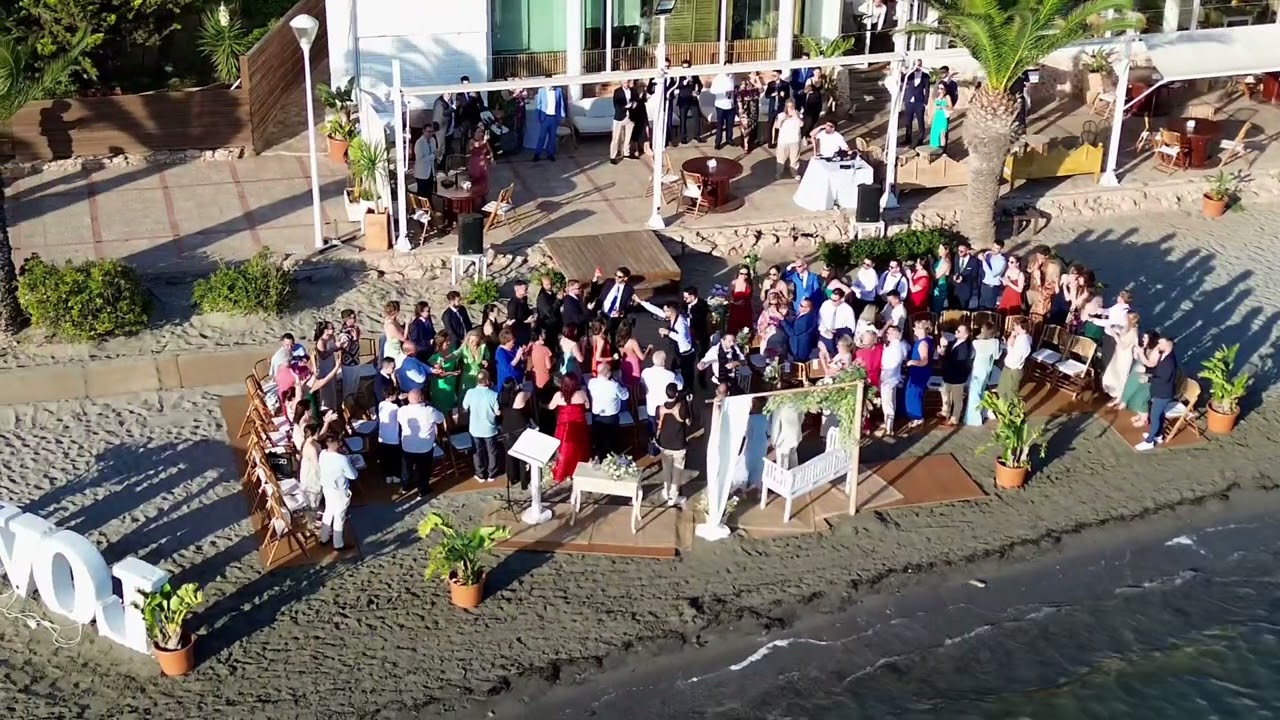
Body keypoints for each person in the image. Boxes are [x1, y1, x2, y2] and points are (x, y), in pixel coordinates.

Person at [397, 389, 444, 496]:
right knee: (424, 471)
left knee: (407, 468)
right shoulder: (429, 411)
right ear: (422, 398)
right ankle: (422, 490)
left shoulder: (402, 410)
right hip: (425, 447)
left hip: (408, 446)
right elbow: (440, 419)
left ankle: (405, 486)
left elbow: (400, 421)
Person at [1136, 336, 1178, 451]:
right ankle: (1158, 435)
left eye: (1160, 343)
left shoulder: (1169, 362)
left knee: (1155, 416)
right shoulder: (1163, 355)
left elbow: (1163, 379)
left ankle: (1149, 441)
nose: (1158, 345)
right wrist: (1147, 372)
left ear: (1167, 345)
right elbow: (1157, 371)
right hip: (1159, 391)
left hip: (1163, 394)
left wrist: (1148, 379)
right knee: (1159, 415)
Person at [550, 373, 591, 483]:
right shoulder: (581, 393)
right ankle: (578, 470)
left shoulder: (559, 395)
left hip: (564, 426)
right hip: (579, 425)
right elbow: (587, 406)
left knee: (564, 450)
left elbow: (551, 407)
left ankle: (563, 472)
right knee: (579, 449)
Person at [462, 370, 502, 483]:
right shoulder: (494, 394)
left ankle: (480, 474)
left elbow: (465, 406)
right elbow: (498, 412)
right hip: (489, 429)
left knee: (477, 452)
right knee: (492, 452)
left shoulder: (470, 392)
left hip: (475, 428)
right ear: (488, 381)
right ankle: (492, 473)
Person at [317, 435, 356, 550]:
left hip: (327, 488)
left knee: (328, 512)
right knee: (339, 516)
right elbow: (352, 475)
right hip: (339, 491)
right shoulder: (342, 459)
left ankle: (324, 537)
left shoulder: (323, 454)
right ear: (336, 443)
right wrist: (352, 465)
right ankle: (338, 544)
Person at [654, 383, 689, 505]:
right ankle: (673, 497)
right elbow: (688, 421)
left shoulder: (659, 409)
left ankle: (666, 491)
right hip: (678, 444)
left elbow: (658, 422)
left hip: (664, 443)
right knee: (677, 470)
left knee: (666, 469)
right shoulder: (681, 407)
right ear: (677, 394)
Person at [1118, 330, 1161, 427]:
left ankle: (1144, 419)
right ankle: (1140, 415)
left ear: (1151, 340)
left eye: (1145, 338)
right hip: (1140, 375)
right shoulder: (1146, 347)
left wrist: (1141, 353)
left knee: (1140, 400)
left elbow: (1151, 364)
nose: (1143, 339)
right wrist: (1136, 353)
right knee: (1133, 395)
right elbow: (1140, 359)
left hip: (1149, 379)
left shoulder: (1156, 351)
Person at [587, 361, 629, 459]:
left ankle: (600, 457)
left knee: (599, 440)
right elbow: (625, 396)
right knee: (612, 440)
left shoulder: (591, 383)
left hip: (597, 416)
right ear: (609, 373)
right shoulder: (614, 385)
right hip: (611, 417)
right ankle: (612, 459)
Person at [499, 377, 535, 489]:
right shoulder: (520, 395)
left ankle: (512, 477)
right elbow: (530, 392)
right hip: (519, 427)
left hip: (507, 427)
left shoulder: (501, 396)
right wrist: (521, 387)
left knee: (509, 454)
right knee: (523, 455)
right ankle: (524, 480)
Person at [641, 351, 683, 440]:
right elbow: (680, 386)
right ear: (663, 362)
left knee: (652, 428)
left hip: (651, 407)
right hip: (665, 408)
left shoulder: (645, 372)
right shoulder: (670, 375)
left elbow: (642, 384)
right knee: (665, 428)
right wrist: (679, 375)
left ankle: (653, 440)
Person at [965, 323, 1001, 426]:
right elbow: (997, 356)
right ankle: (982, 414)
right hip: (987, 370)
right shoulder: (995, 342)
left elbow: (971, 355)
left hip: (977, 369)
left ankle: (974, 419)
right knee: (981, 391)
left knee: (974, 394)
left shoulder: (976, 342)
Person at [938, 324, 973, 426]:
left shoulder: (965, 347)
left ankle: (954, 418)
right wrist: (943, 352)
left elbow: (959, 362)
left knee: (957, 399)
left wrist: (945, 356)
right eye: (956, 330)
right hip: (948, 375)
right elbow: (948, 355)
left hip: (957, 377)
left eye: (959, 331)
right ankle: (945, 411)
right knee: (945, 394)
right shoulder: (953, 341)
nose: (956, 332)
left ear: (966, 335)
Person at [903, 320, 935, 429]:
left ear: (922, 329)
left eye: (916, 327)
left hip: (919, 372)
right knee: (912, 393)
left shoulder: (923, 343)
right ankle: (914, 416)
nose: (914, 329)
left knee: (914, 394)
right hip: (917, 371)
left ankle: (917, 418)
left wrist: (913, 362)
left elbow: (924, 360)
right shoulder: (924, 341)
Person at [590, 266, 636, 341]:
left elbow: (628, 306)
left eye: (619, 277)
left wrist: (622, 312)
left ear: (625, 278)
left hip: (614, 317)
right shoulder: (609, 282)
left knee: (613, 337)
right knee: (600, 336)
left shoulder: (629, 290)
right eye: (615, 275)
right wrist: (595, 277)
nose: (616, 278)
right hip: (602, 313)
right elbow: (594, 290)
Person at [1102, 311, 1140, 401]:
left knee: (1121, 376)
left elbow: (1123, 346)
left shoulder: (1133, 332)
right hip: (1118, 354)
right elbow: (1122, 333)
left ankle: (1119, 397)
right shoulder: (1126, 327)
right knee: (1112, 372)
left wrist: (1114, 334)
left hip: (1124, 357)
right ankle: (1111, 390)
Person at [879, 325, 907, 435]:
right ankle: (887, 423)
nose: (887, 335)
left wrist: (884, 367)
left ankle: (889, 428)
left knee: (888, 403)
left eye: (889, 333)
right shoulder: (893, 345)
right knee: (889, 402)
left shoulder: (896, 346)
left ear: (896, 333)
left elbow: (894, 362)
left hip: (889, 378)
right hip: (889, 377)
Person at [997, 317, 1032, 400]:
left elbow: (1015, 358)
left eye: (1015, 325)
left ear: (1020, 326)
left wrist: (1009, 345)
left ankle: (1012, 408)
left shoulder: (1024, 342)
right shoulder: (1020, 336)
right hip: (1008, 366)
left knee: (1011, 394)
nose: (1013, 327)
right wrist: (1012, 337)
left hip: (1014, 369)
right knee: (1001, 390)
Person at [533, 82, 567, 162]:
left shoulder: (558, 90)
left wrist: (562, 115)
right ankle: (537, 154)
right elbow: (538, 105)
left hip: (554, 117)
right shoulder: (541, 90)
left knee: (552, 137)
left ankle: (550, 154)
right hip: (545, 117)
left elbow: (561, 104)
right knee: (542, 137)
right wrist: (538, 118)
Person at [818, 288, 856, 356]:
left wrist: (837, 331)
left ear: (841, 299)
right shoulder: (825, 304)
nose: (832, 302)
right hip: (825, 334)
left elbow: (851, 328)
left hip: (839, 337)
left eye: (835, 300)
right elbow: (820, 320)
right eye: (831, 299)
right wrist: (824, 330)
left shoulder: (848, 310)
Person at [426, 334, 460, 410]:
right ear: (440, 342)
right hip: (441, 387)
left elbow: (457, 363)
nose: (449, 342)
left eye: (449, 340)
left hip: (451, 385)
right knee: (441, 409)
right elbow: (439, 375)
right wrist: (452, 373)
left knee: (449, 408)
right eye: (446, 341)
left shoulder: (452, 351)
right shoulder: (435, 357)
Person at [312, 321, 340, 412]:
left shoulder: (332, 337)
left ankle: (334, 407)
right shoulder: (320, 341)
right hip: (324, 367)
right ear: (325, 330)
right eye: (331, 328)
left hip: (331, 364)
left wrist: (339, 347)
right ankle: (326, 409)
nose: (333, 330)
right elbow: (323, 356)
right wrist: (334, 348)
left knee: (333, 388)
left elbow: (335, 349)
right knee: (326, 389)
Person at [901, 61, 931, 147]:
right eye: (916, 64)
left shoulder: (925, 76)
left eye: (919, 64)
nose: (917, 66)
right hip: (909, 101)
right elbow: (902, 79)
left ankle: (920, 140)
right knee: (908, 121)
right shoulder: (910, 74)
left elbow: (927, 89)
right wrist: (909, 71)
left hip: (919, 102)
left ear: (921, 65)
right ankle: (908, 139)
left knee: (920, 121)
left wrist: (925, 102)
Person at [773, 98, 803, 180]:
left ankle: (794, 173)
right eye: (788, 106)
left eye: (792, 106)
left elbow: (801, 124)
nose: (790, 108)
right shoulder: (781, 115)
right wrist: (782, 120)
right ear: (786, 107)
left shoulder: (798, 114)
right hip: (783, 141)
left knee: (794, 159)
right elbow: (777, 126)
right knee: (781, 159)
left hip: (795, 140)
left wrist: (796, 116)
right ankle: (779, 173)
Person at [674, 59, 703, 145]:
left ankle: (697, 135)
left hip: (692, 99)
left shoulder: (694, 74)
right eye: (684, 67)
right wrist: (684, 82)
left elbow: (700, 84)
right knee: (683, 119)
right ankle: (683, 137)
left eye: (687, 67)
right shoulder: (680, 75)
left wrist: (698, 91)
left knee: (697, 117)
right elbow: (677, 86)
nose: (686, 69)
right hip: (683, 99)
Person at [375, 386, 401, 484]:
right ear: (391, 396)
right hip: (393, 437)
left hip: (383, 436)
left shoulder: (381, 404)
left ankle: (388, 476)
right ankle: (396, 476)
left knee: (385, 458)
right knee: (395, 458)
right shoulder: (396, 407)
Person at [782, 297, 819, 362]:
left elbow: (792, 332)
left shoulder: (804, 320)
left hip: (799, 349)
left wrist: (782, 320)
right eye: (800, 304)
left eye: (801, 306)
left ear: (807, 309)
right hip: (802, 346)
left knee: (799, 364)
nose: (799, 306)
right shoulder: (808, 314)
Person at [297, 421, 324, 509]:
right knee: (314, 495)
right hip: (312, 472)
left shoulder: (307, 442)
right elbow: (317, 464)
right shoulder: (311, 448)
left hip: (307, 469)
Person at [616, 320, 649, 391]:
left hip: (625, 365)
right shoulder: (632, 342)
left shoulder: (619, 342)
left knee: (626, 386)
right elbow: (642, 357)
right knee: (635, 387)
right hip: (634, 367)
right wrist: (648, 350)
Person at [610, 79, 637, 164]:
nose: (626, 84)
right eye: (625, 82)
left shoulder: (633, 90)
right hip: (620, 117)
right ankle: (613, 156)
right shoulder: (617, 91)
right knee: (616, 138)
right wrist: (625, 107)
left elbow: (636, 100)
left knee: (628, 136)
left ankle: (626, 153)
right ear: (621, 83)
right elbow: (616, 105)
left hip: (630, 116)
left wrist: (634, 105)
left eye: (627, 82)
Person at [763, 70, 790, 148]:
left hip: (780, 107)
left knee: (780, 124)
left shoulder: (785, 84)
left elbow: (788, 96)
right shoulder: (771, 84)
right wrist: (773, 94)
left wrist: (784, 95)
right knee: (770, 124)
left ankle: (778, 140)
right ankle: (770, 142)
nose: (774, 77)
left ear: (779, 75)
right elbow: (767, 95)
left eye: (775, 75)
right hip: (772, 107)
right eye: (773, 75)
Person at [466, 126, 493, 201]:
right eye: (478, 132)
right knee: (475, 181)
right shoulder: (472, 141)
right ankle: (473, 198)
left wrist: (491, 158)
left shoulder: (484, 141)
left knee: (483, 181)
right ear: (474, 133)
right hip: (474, 163)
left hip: (483, 163)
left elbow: (490, 150)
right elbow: (476, 145)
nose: (481, 133)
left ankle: (483, 198)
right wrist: (484, 141)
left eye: (481, 132)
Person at [710, 71, 736, 150]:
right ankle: (718, 142)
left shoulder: (733, 76)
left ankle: (729, 139)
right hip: (720, 105)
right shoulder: (718, 77)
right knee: (720, 125)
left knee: (730, 124)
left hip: (731, 104)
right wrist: (723, 91)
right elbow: (712, 90)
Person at [978, 240, 1007, 311]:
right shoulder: (988, 254)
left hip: (992, 287)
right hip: (984, 285)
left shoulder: (1002, 260)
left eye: (997, 248)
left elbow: (993, 274)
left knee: (989, 309)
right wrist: (980, 257)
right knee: (980, 307)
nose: (993, 249)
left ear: (1000, 249)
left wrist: (984, 261)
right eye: (993, 247)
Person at [951, 241, 980, 310]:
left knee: (963, 310)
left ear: (967, 251)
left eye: (961, 251)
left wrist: (963, 278)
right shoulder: (956, 257)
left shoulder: (974, 261)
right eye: (958, 250)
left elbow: (974, 276)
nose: (959, 252)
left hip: (965, 290)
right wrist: (953, 276)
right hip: (954, 290)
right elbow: (952, 270)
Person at [505, 279, 535, 347]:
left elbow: (526, 310)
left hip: (526, 328)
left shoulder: (524, 299)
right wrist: (525, 322)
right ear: (517, 289)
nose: (526, 291)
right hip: (518, 331)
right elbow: (512, 320)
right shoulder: (513, 304)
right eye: (525, 289)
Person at [727, 265, 754, 336]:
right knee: (733, 330)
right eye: (741, 273)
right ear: (738, 273)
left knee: (746, 331)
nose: (743, 276)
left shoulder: (749, 283)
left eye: (746, 274)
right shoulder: (733, 283)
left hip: (746, 310)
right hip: (735, 310)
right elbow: (728, 297)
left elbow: (750, 296)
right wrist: (735, 302)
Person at [457, 329, 487, 393]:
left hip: (479, 376)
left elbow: (487, 356)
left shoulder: (483, 347)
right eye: (472, 341)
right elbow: (456, 353)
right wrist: (447, 357)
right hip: (467, 376)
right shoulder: (464, 348)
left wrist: (485, 361)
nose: (474, 343)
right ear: (468, 340)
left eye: (476, 341)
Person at [382, 301, 409, 368]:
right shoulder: (390, 325)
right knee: (395, 366)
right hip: (393, 349)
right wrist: (407, 324)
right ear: (396, 311)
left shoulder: (394, 321)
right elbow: (403, 338)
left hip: (397, 347)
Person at [736, 76, 759, 153]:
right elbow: (739, 100)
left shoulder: (755, 90)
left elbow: (761, 89)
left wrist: (756, 79)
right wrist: (740, 109)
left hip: (753, 112)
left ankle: (750, 143)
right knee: (745, 128)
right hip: (745, 111)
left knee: (752, 127)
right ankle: (746, 146)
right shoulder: (742, 91)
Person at [413, 125, 437, 198]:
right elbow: (420, 159)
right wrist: (433, 156)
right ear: (423, 131)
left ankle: (429, 204)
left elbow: (434, 152)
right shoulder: (419, 143)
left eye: (432, 132)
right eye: (428, 131)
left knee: (429, 193)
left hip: (430, 171)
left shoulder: (433, 140)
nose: (430, 133)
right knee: (422, 194)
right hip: (421, 173)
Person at [535, 274, 561, 339]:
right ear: (542, 285)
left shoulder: (551, 293)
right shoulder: (542, 297)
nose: (549, 286)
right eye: (547, 285)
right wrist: (558, 300)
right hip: (548, 326)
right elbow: (549, 312)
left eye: (550, 284)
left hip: (555, 324)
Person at [927, 83, 953, 151]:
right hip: (936, 117)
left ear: (945, 89)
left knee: (942, 134)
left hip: (943, 117)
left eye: (941, 88)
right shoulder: (937, 96)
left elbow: (951, 108)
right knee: (934, 134)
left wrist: (943, 107)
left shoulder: (947, 97)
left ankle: (943, 150)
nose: (940, 90)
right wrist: (930, 117)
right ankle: (934, 149)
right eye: (938, 88)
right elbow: (934, 108)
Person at [931, 244, 952, 314]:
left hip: (941, 286)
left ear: (946, 251)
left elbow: (936, 276)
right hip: (935, 286)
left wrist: (930, 266)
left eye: (941, 249)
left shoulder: (946, 263)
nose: (938, 251)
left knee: (938, 307)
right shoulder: (940, 260)